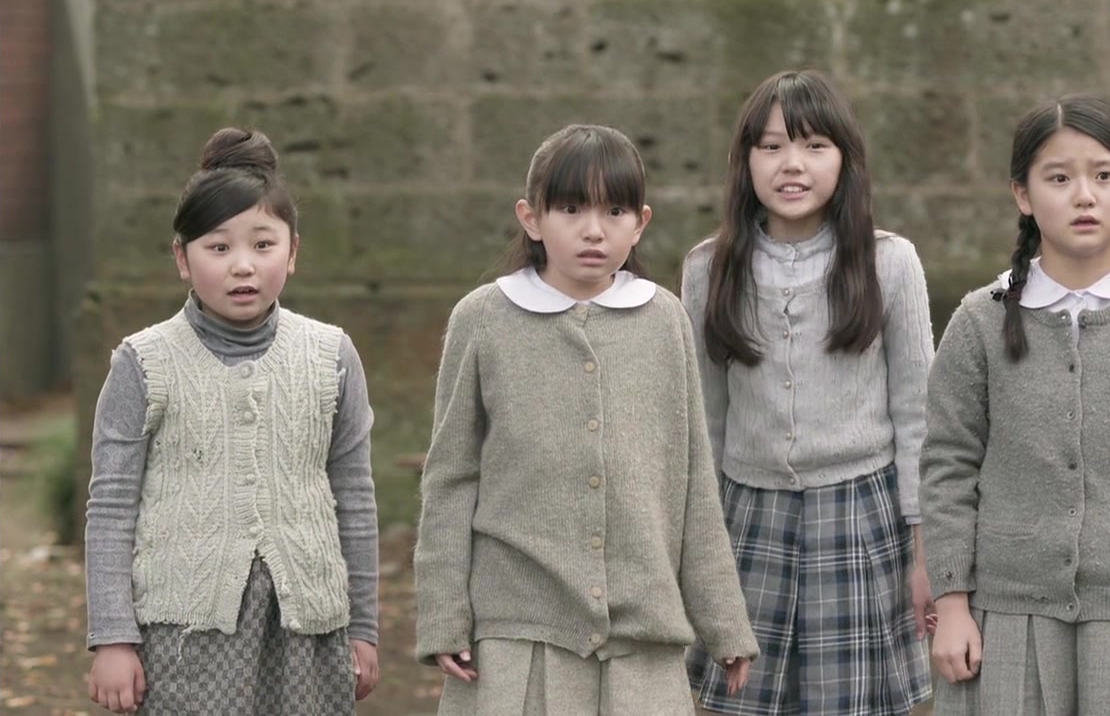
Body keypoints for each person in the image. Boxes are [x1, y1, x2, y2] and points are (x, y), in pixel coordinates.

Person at [414, 123, 759, 715]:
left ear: (640, 223)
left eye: (614, 211)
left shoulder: (665, 321)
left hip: (642, 642)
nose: (593, 229)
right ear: (531, 218)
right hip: (515, 634)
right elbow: (450, 477)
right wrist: (444, 615)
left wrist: (724, 621)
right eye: (571, 209)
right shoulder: (483, 319)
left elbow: (693, 483)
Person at [921, 94, 1110, 715]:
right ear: (1022, 194)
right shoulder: (981, 320)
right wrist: (951, 601)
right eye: (1059, 178)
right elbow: (947, 466)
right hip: (1004, 616)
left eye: (1105, 175)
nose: (1084, 196)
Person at [84, 128, 379, 715]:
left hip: (308, 632)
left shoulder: (331, 356)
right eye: (218, 248)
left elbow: (354, 496)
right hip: (184, 639)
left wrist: (364, 627)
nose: (243, 266)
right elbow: (111, 506)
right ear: (182, 257)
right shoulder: (144, 362)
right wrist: (113, 639)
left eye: (263, 244)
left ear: (292, 251)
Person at [682, 69, 934, 715]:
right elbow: (701, 422)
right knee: (743, 700)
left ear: (845, 159)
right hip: (747, 517)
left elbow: (919, 417)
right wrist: (697, 552)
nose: (791, 164)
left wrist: (927, 553)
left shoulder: (889, 262)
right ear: (745, 161)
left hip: (861, 517)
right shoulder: (709, 268)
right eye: (770, 146)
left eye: (814, 145)